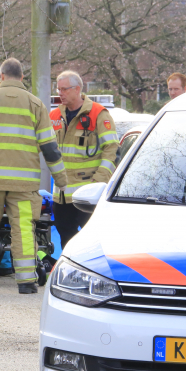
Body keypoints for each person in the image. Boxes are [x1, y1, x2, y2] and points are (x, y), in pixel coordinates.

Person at [0, 58, 68, 295]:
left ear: (2, 75)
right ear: (21, 77)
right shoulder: (35, 104)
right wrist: (61, 181)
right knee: (24, 230)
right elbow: (50, 148)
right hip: (23, 184)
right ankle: (26, 282)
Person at [53, 70, 118, 252]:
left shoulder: (98, 114)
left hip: (88, 193)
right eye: (59, 89)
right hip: (62, 195)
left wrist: (99, 181)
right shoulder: (55, 116)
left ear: (78, 89)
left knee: (95, 241)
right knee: (66, 238)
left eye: (64, 89)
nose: (61, 93)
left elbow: (112, 149)